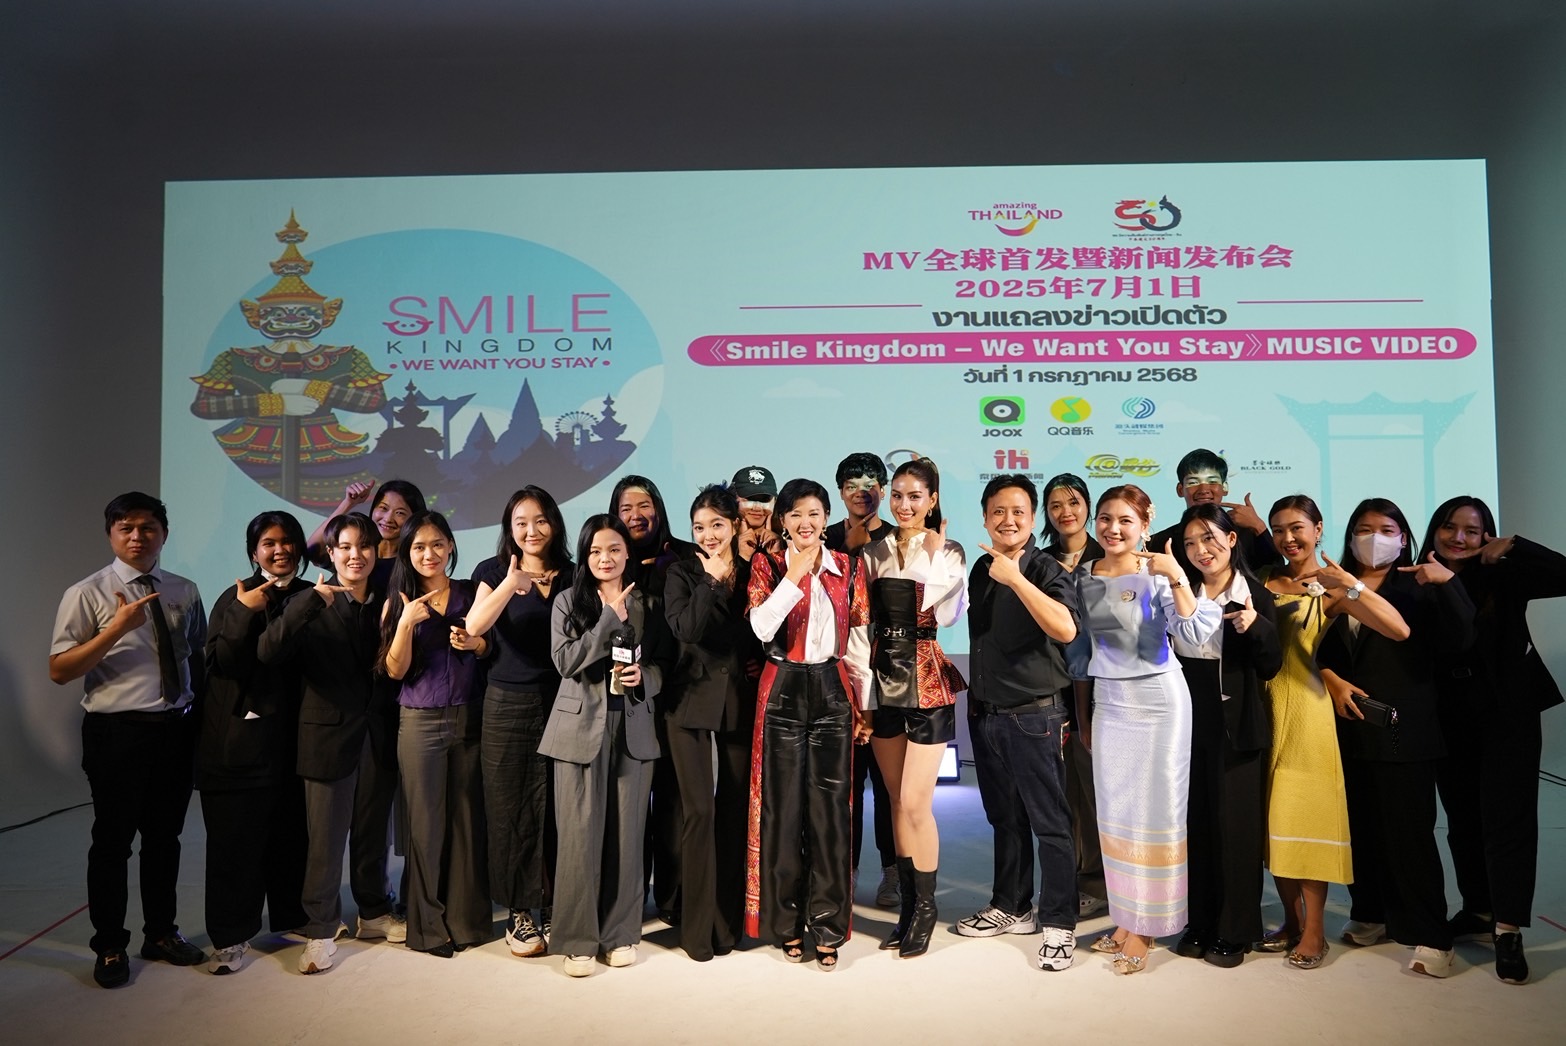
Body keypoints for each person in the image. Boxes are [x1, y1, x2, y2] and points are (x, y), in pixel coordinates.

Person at [50, 491, 208, 988]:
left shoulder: (183, 589)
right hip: (117, 733)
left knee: (164, 840)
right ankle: (110, 945)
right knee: (112, 843)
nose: (137, 536)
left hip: (175, 730)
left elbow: (196, 658)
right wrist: (116, 629)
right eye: (126, 528)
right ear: (111, 534)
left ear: (164, 533)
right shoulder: (87, 592)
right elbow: (60, 670)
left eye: (147, 527)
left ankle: (160, 933)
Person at [1314, 498, 1474, 978]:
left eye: (1387, 529)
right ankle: (1371, 911)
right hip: (1348, 727)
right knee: (1359, 829)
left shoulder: (1417, 584)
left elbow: (1459, 638)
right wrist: (1330, 677)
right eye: (1364, 528)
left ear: (1404, 538)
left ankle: (1432, 936)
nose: (1374, 537)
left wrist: (1447, 584)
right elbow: (1316, 650)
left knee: (1409, 837)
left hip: (1405, 729)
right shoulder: (1330, 586)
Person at [1067, 484, 1221, 974]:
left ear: (1145, 525)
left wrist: (1176, 575)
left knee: (1156, 814)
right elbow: (1080, 653)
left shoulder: (1159, 572)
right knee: (1115, 813)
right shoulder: (1083, 575)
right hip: (1110, 702)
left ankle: (1147, 927)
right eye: (1105, 518)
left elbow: (1197, 634)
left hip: (1159, 701)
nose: (1113, 529)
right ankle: (1125, 918)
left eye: (1125, 520)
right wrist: (1084, 716)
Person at [1259, 494, 1408, 971]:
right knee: (1272, 822)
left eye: (1297, 528)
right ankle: (1291, 921)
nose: (1288, 538)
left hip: (1307, 715)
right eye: (1278, 529)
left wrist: (1351, 586)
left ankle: (1315, 930)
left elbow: (1398, 630)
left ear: (1319, 529)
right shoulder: (1261, 580)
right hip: (1263, 711)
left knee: (1306, 819)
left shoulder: (1331, 588)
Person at [1421, 496, 1565, 984]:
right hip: (1449, 714)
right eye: (1449, 527)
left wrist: (1517, 545)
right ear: (1434, 530)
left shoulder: (1505, 574)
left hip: (1508, 711)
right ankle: (1479, 908)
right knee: (1462, 818)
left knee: (1508, 819)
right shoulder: (1419, 577)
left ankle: (1508, 929)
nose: (1459, 538)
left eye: (1472, 529)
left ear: (1487, 535)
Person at [260, 512, 403, 974]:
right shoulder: (308, 600)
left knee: (372, 833)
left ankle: (374, 911)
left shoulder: (387, 601)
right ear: (330, 553)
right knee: (324, 841)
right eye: (345, 547)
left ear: (375, 551)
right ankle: (321, 928)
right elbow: (268, 651)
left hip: (377, 733)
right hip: (325, 737)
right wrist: (308, 603)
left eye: (364, 546)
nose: (355, 555)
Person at [747, 478, 873, 971]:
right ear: (782, 521)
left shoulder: (847, 567)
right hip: (782, 689)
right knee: (782, 811)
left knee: (831, 813)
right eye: (796, 514)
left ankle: (827, 924)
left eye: (814, 513)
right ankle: (785, 922)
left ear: (825, 520)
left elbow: (857, 641)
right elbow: (761, 628)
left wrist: (864, 706)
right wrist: (794, 574)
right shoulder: (768, 565)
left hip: (832, 690)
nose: (806, 522)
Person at [957, 474, 1082, 972]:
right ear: (985, 517)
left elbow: (1066, 628)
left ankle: (1060, 922)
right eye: (998, 511)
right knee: (1005, 819)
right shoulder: (981, 567)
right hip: (988, 715)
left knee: (1050, 823)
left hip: (1035, 716)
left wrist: (1017, 579)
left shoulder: (1046, 568)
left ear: (1032, 519)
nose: (1008, 520)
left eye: (1018, 512)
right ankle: (1012, 906)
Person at [540, 515, 675, 976]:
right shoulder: (567, 601)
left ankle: (620, 934)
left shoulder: (649, 603)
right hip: (578, 731)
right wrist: (607, 620)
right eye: (596, 550)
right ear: (585, 555)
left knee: (628, 837)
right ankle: (578, 940)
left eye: (614, 549)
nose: (605, 558)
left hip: (632, 727)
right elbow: (565, 661)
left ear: (627, 553)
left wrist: (645, 678)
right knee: (578, 837)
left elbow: (665, 665)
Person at [196, 510, 313, 975]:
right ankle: (230, 935)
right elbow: (222, 661)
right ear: (253, 552)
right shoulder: (237, 596)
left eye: (287, 541)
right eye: (269, 543)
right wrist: (245, 612)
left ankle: (292, 918)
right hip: (241, 744)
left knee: (291, 837)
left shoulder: (311, 594)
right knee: (235, 844)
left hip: (295, 742)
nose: (279, 549)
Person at [861, 458, 967, 958]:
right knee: (896, 801)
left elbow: (947, 614)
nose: (905, 505)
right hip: (883, 678)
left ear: (932, 500)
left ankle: (926, 909)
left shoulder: (950, 550)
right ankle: (907, 907)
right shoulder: (872, 551)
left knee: (917, 801)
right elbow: (862, 624)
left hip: (926, 677)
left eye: (915, 496)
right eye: (898, 496)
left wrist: (934, 555)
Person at [1169, 504, 1282, 968]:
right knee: (1194, 825)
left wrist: (1257, 628)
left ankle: (1235, 930)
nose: (1201, 550)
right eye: (1191, 543)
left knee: (1235, 829)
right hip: (1184, 724)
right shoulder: (1179, 591)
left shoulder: (1255, 595)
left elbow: (1271, 666)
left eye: (1209, 539)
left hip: (1235, 727)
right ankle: (1199, 923)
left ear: (1232, 540)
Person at [378, 510, 496, 957]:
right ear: (407, 552)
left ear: (450, 546)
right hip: (420, 722)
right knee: (425, 826)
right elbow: (395, 671)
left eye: (437, 544)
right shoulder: (398, 602)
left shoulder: (470, 592)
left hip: (470, 716)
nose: (429, 554)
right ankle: (427, 928)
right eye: (419, 547)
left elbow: (487, 648)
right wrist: (406, 623)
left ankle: (467, 922)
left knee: (468, 821)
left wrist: (476, 644)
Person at [464, 487, 574, 959]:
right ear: (509, 528)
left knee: (559, 807)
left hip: (565, 703)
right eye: (521, 522)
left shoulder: (574, 573)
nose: (532, 530)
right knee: (511, 809)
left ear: (555, 524)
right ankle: (519, 912)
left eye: (541, 519)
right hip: (507, 704)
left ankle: (551, 902)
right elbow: (474, 627)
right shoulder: (492, 572)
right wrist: (511, 583)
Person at [662, 486, 762, 960]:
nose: (708, 535)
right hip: (687, 704)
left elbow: (761, 633)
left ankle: (728, 925)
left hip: (739, 701)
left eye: (717, 525)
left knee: (734, 812)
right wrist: (710, 581)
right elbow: (686, 629)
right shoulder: (681, 573)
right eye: (699, 527)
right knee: (698, 813)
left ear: (735, 525)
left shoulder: (753, 572)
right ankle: (697, 929)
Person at [609, 474, 692, 923]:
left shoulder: (684, 556)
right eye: (626, 508)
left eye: (644, 506)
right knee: (630, 806)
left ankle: (674, 899)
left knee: (675, 803)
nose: (636, 516)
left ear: (658, 509)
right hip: (626, 702)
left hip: (677, 697)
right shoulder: (608, 562)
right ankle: (629, 898)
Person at [824, 451, 900, 910]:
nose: (861, 492)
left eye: (870, 483)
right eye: (851, 484)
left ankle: (893, 872)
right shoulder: (825, 539)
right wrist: (848, 549)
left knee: (890, 786)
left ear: (883, 491)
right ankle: (845, 873)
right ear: (840, 492)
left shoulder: (898, 538)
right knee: (845, 786)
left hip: (891, 679)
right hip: (838, 682)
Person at [1039, 472, 1107, 919]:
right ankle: (1074, 879)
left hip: (1103, 685)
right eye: (1056, 505)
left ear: (1087, 506)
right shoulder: (1039, 560)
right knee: (1063, 792)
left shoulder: (1110, 554)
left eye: (1074, 502)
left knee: (1097, 787)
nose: (1066, 512)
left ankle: (1102, 882)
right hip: (1050, 685)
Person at [1149, 449, 1277, 572]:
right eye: (1193, 482)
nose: (1204, 489)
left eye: (1212, 481)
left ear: (1225, 487)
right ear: (1180, 490)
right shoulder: (1158, 542)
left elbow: (1275, 571)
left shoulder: (1249, 535)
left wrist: (1258, 526)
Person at [731, 465, 781, 562]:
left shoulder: (789, 542)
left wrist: (778, 555)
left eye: (764, 499)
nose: (757, 507)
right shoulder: (720, 543)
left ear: (775, 502)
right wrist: (742, 557)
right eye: (750, 499)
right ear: (732, 499)